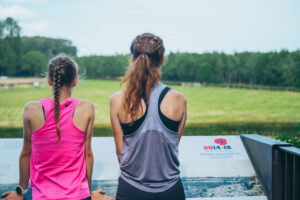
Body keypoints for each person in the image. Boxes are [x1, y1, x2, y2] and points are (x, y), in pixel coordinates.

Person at [1, 55, 113, 200]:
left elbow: (25, 154)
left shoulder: (31, 109)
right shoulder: (87, 108)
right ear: (75, 81)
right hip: (79, 196)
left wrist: (21, 191)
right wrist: (89, 192)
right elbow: (88, 155)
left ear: (49, 80)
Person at [110, 33, 187, 200]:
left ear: (132, 59)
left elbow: (120, 152)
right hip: (170, 190)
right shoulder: (179, 100)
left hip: (131, 189)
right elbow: (170, 146)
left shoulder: (117, 100)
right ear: (162, 59)